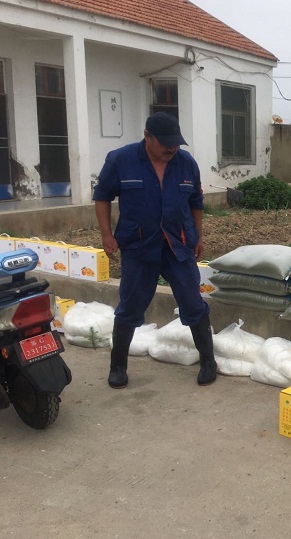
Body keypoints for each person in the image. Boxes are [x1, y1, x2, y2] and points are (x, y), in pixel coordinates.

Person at [93, 111, 216, 389]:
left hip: (178, 245)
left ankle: (209, 361)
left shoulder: (186, 163)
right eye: (166, 143)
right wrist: (106, 235)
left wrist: (198, 236)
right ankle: (117, 366)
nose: (172, 148)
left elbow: (196, 201)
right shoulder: (121, 160)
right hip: (138, 246)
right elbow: (102, 196)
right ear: (147, 136)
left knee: (193, 302)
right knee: (130, 306)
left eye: (176, 143)